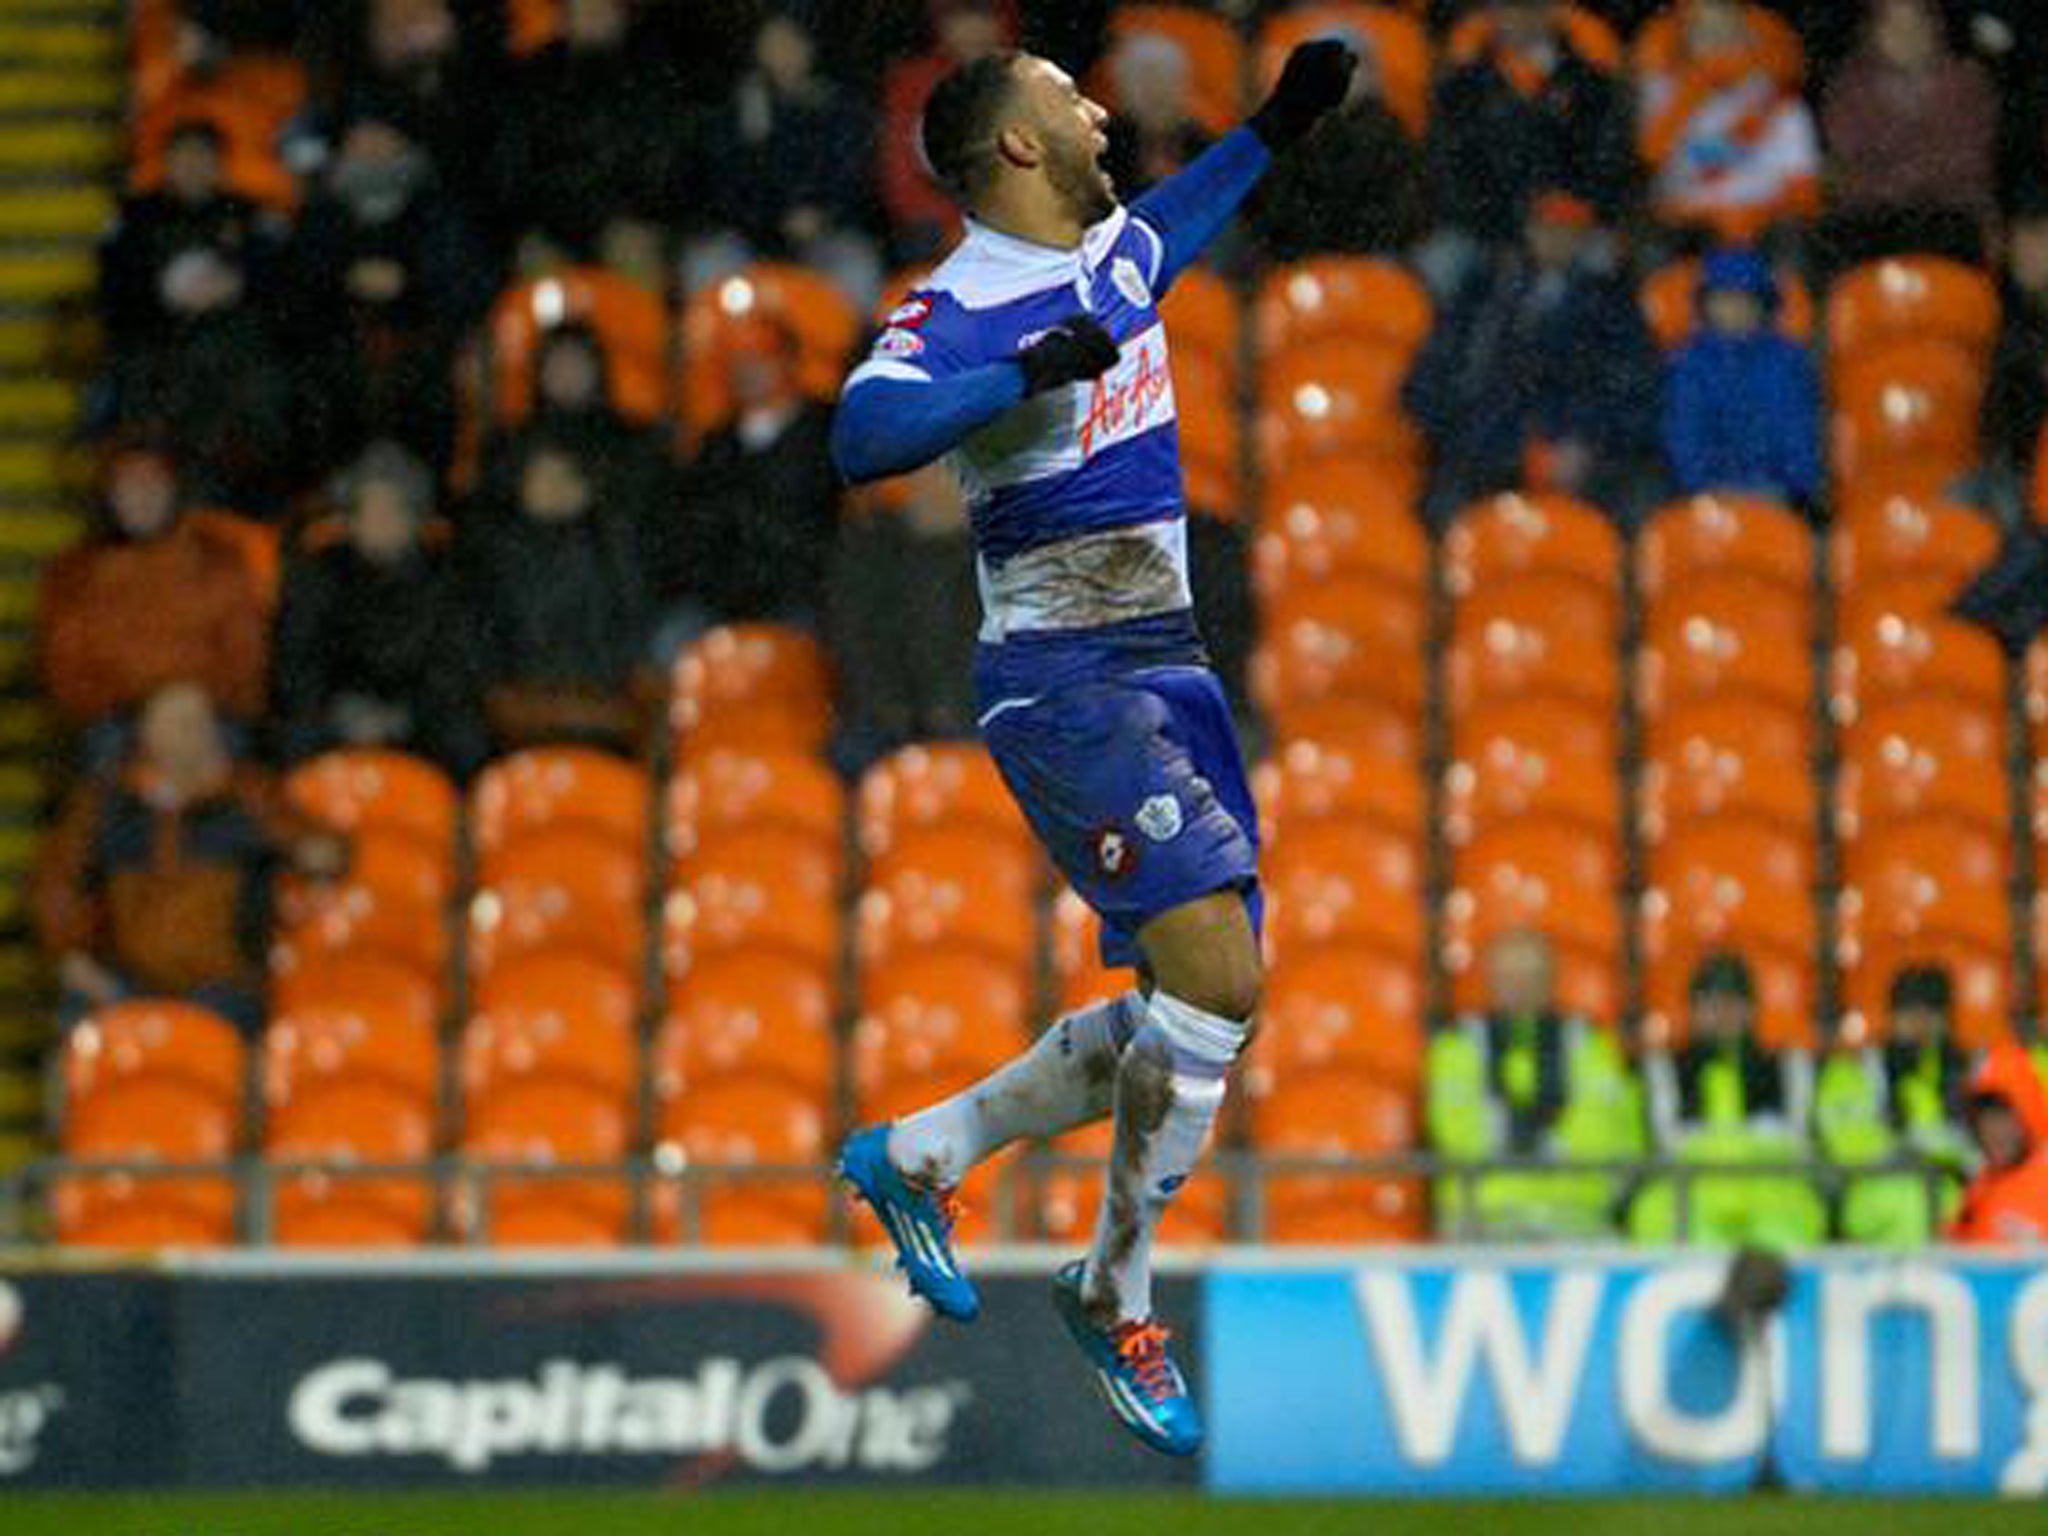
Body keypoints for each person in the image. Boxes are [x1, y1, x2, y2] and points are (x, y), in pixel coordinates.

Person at [829, 38, 1357, 1458]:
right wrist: (1011, 379)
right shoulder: (955, 306)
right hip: (1062, 676)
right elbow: (862, 437)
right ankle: (1115, 1291)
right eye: (1065, 97)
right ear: (1012, 147)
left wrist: (1273, 129)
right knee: (1219, 974)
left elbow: (1176, 227)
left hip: (1166, 666)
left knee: (1201, 1015)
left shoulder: (1115, 250)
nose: (1095, 109)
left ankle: (923, 1153)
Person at [30, 682, 346, 1038]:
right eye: (177, 726)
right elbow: (58, 883)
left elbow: (323, 851)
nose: (190, 736)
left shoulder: (249, 796)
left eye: (198, 725)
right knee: (80, 1025)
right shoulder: (108, 803)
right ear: (149, 735)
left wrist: (300, 847)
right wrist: (72, 955)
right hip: (122, 983)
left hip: (224, 988)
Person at [1403, 189, 1664, 524]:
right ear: (1528, 230)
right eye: (1546, 227)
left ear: (1584, 238)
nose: (1554, 239)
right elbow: (1427, 385)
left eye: (1567, 230)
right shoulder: (1484, 295)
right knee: (1443, 507)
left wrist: (1584, 440)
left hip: (1583, 456)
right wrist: (1493, 442)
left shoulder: (1614, 305)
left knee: (1639, 503)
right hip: (1488, 452)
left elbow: (1637, 391)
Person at [279, 111, 496, 475]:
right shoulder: (321, 215)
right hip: (338, 367)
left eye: (382, 136)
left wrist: (409, 288)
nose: (370, 149)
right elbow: (293, 296)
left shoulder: (439, 211)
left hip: (423, 365)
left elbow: (470, 293)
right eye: (360, 138)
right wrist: (344, 284)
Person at [270, 441, 490, 778]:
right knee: (293, 732)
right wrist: (342, 714)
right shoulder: (317, 576)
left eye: (393, 509)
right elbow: (297, 662)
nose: (380, 520)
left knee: (464, 734)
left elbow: (456, 668)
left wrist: (400, 718)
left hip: (419, 721)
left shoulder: (448, 581)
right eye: (369, 509)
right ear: (351, 519)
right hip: (334, 718)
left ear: (415, 519)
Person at [37, 442, 268, 739]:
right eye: (129, 485)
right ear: (108, 495)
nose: (143, 495)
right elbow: (67, 671)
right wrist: (139, 704)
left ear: (175, 490)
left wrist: (192, 700)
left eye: (153, 482)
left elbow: (245, 661)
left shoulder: (219, 559)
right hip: (117, 724)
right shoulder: (73, 575)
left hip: (208, 719)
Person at [1425, 929, 1644, 1239]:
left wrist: (1529, 1148)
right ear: (1490, 981)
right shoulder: (1458, 1045)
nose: (1519, 988)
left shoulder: (1589, 1042)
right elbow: (1457, 1132)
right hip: (1484, 1214)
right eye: (1509, 978)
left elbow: (1602, 1128)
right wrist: (1545, 1149)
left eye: (1531, 977)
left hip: (1575, 1213)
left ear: (1551, 980)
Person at [462, 431, 662, 752]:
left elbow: (631, 628)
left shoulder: (612, 549)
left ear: (585, 488)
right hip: (524, 694)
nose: (552, 487)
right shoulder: (495, 558)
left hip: (600, 693)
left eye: (563, 476)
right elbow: (486, 641)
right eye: (541, 477)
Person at [1422, 0, 1636, 286]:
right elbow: (1450, 172)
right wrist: (1503, 233)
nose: (1518, 19)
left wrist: (1560, 223)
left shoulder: (1587, 81)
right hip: (1485, 230)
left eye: (1529, 7)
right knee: (1439, 264)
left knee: (1604, 261)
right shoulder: (1463, 86)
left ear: (1550, 12)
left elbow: (1607, 163)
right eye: (1509, 8)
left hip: (1570, 228)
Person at [1630, 953, 1829, 1249]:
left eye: (1734, 1002)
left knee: (1794, 1228)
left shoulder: (1789, 1066)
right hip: (1688, 1200)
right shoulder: (1663, 1068)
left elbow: (1801, 1141)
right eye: (1710, 1003)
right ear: (1692, 1009)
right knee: (1657, 1219)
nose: (1723, 1013)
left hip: (1776, 1200)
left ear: (1752, 1009)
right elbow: (1662, 1144)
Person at [691, 7, 881, 309]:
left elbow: (854, 177)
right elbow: (723, 184)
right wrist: (770, 218)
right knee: (706, 264)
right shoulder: (737, 108)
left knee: (858, 269)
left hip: (825, 235)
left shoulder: (839, 107)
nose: (785, 53)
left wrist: (822, 214)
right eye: (775, 43)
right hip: (750, 237)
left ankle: (851, 352)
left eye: (794, 43)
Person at [493, 0, 687, 258]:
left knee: (638, 269)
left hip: (634, 230)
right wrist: (527, 233)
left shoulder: (654, 75)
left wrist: (648, 225)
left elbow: (666, 164)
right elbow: (516, 167)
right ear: (564, 18)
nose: (592, 17)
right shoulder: (533, 81)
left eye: (602, 9)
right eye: (582, 10)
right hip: (553, 231)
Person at [680, 316, 841, 627]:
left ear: (790, 361)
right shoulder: (715, 445)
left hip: (805, 597)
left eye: (761, 358)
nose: (747, 369)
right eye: (738, 360)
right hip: (723, 601)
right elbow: (696, 531)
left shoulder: (830, 432)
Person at [827, 460, 981, 772]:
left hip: (972, 718)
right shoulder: (869, 546)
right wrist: (890, 708)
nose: (939, 483)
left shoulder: (997, 553)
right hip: (886, 720)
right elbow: (854, 638)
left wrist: (950, 708)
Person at [1639, 0, 1821, 246]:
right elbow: (1662, 172)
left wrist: (1752, 220)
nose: (1716, 43)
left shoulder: (1784, 107)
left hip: (1766, 232)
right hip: (1690, 233)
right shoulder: (1667, 100)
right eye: (1702, 32)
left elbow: (1803, 194)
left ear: (1747, 39)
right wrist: (1694, 93)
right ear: (1686, 42)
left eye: (1725, 31)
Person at [1815, 967, 1974, 1246]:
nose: (1920, 1022)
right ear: (1891, 1016)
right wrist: (1916, 1154)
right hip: (1874, 1191)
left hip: (1959, 1193)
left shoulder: (1969, 1069)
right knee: (1913, 1205)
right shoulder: (1857, 1069)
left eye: (1931, 1012)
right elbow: (1845, 1144)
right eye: (1909, 1012)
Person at [96, 117, 278, 356]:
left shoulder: (246, 213)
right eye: (183, 156)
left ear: (219, 163)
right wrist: (164, 291)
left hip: (232, 344)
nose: (192, 166)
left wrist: (235, 285)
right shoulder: (136, 215)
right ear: (167, 161)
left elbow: (276, 272)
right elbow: (113, 278)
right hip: (155, 345)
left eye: (202, 156)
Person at [1821, 0, 1997, 243]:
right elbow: (1845, 167)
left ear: (1935, 27)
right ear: (1872, 32)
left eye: (1916, 26)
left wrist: (1890, 170)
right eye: (1893, 28)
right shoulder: (1849, 87)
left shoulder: (1967, 83)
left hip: (1953, 217)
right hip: (1870, 219)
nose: (1906, 38)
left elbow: (1966, 164)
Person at [1662, 247, 1823, 509]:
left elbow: (1799, 435)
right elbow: (1685, 439)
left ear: (1764, 305)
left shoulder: (1789, 360)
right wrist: (1710, 489)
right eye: (1724, 298)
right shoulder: (1687, 363)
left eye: (1747, 299)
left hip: (1781, 499)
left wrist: (1785, 489)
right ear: (1706, 304)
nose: (1736, 309)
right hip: (1705, 502)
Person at [1245, 30, 1426, 262]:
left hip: (1377, 261)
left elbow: (1401, 215)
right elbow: (1274, 213)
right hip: (1299, 262)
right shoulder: (1291, 131)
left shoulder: (1389, 133)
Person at [878, 0, 1014, 263]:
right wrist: (954, 226)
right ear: (941, 25)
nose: (972, 29)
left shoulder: (1030, 79)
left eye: (983, 16)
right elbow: (900, 175)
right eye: (959, 18)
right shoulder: (912, 83)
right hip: (936, 230)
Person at [1981, 194, 2048, 500]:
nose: (2035, 251)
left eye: (2042, 236)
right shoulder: (2003, 326)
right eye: (2027, 236)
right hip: (2019, 485)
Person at [1949, 1043, 2048, 1245]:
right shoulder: (1978, 1186)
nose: (1993, 1130)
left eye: (2004, 1117)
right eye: (1984, 1119)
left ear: (2029, 1115)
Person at [1100, 30, 1213, 200]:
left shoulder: (1203, 147)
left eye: (1165, 80)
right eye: (1143, 82)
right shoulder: (1105, 145)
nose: (1156, 92)